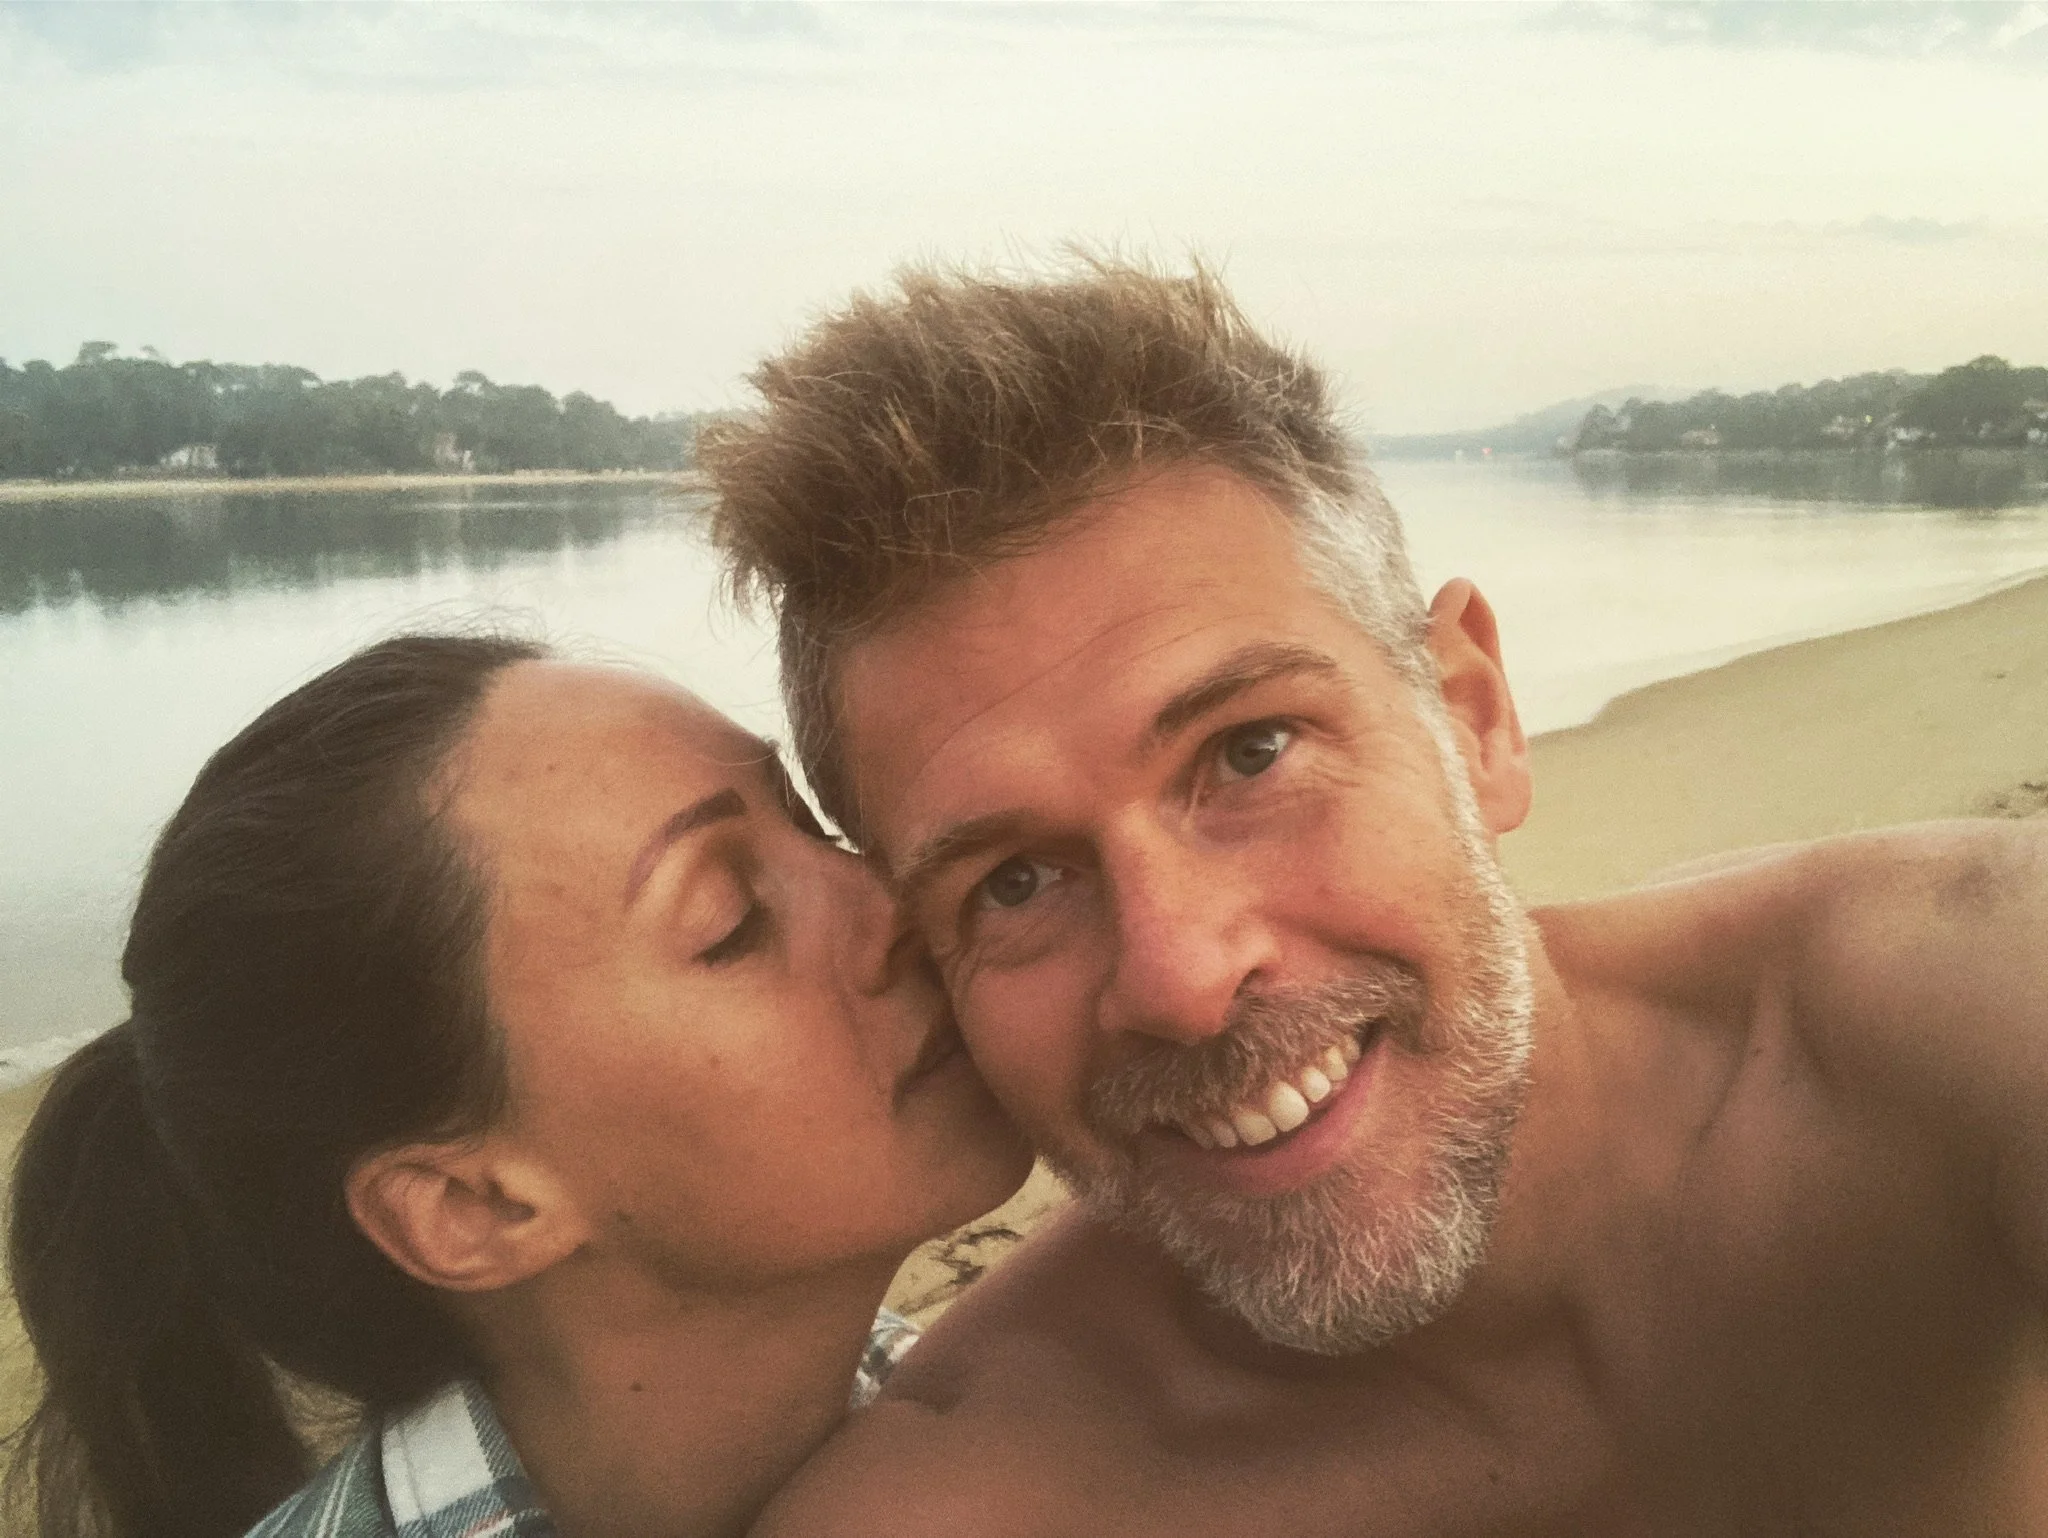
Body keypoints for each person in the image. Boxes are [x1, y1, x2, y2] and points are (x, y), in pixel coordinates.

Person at [698, 259, 2048, 1534]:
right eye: (1015, 882)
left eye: (1250, 752)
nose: (1179, 975)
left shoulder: (1948, 1017)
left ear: (1472, 715)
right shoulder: (993, 1493)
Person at [5, 634, 1030, 1538]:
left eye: (810, 819)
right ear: (474, 1204)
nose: (896, 896)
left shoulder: (999, 1404)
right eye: (731, 921)